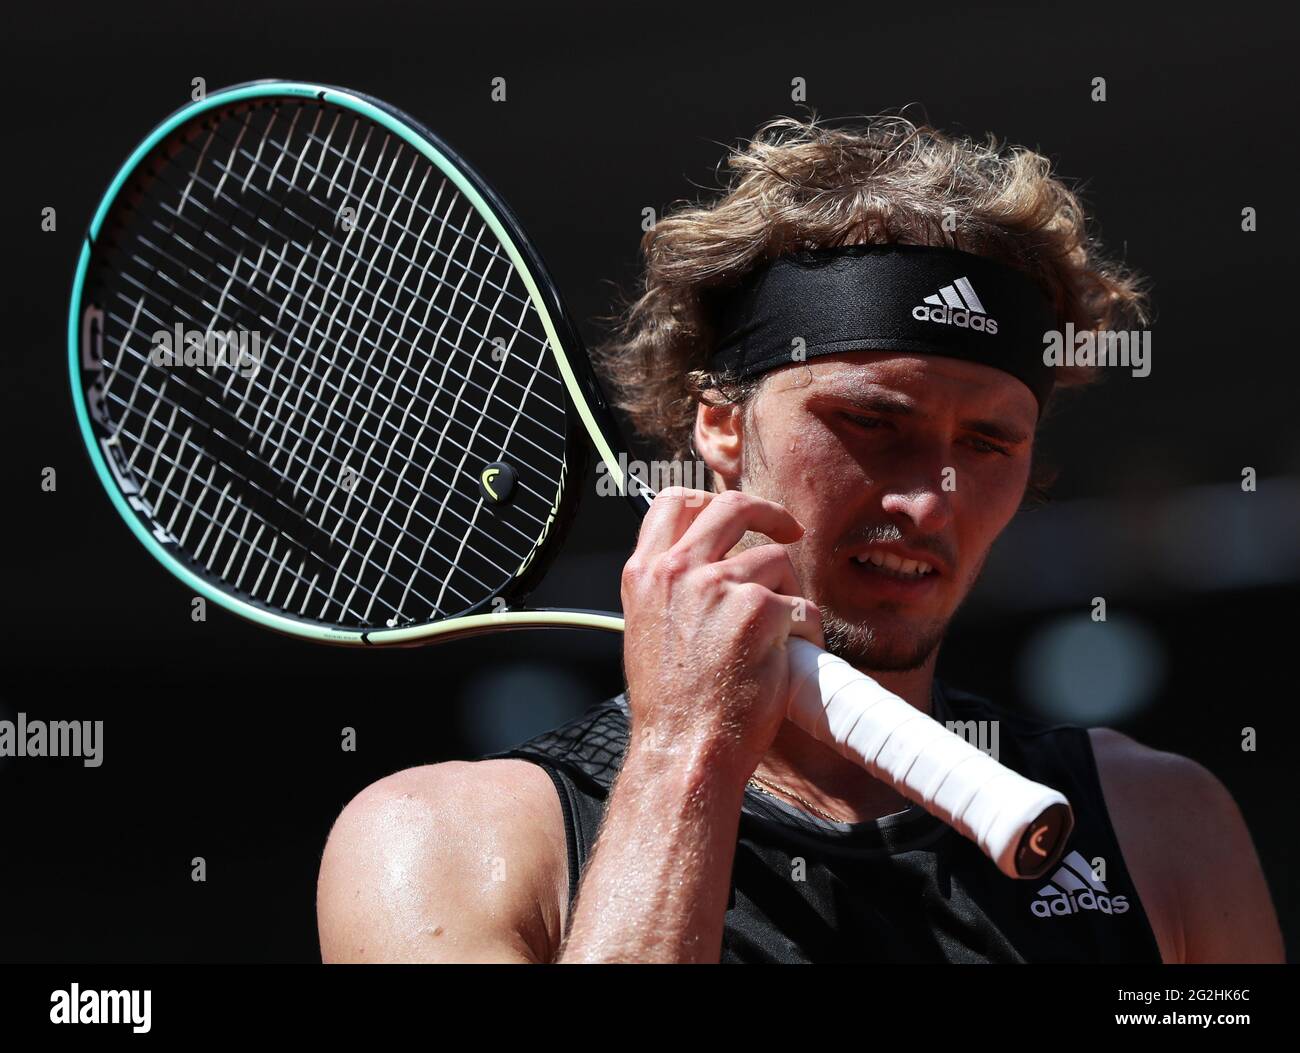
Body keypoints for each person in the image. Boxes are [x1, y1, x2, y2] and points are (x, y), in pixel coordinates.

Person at [316, 115, 1284, 963]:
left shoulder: (1163, 829)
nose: (929, 502)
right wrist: (687, 750)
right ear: (721, 425)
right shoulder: (433, 843)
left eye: (989, 442)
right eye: (870, 423)